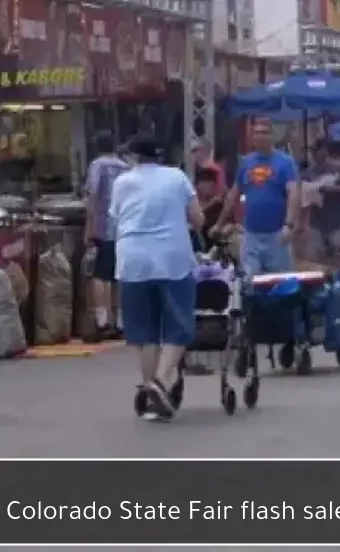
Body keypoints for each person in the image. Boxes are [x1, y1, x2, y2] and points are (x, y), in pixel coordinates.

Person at [107, 135, 204, 421]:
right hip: (172, 259)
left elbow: (117, 218)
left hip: (132, 260)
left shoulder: (122, 182)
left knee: (144, 332)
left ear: (133, 158)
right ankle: (160, 382)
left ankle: (152, 394)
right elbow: (198, 218)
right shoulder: (177, 177)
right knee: (179, 326)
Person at [212, 119, 301, 275]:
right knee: (250, 283)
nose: (260, 136)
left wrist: (289, 225)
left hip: (277, 234)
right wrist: (219, 224)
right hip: (251, 235)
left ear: (272, 136)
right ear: (251, 137)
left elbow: (293, 194)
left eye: (264, 132)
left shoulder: (285, 162)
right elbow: (233, 194)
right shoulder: (246, 163)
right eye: (256, 133)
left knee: (279, 283)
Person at [83, 130, 129, 340]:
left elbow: (92, 196)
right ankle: (120, 321)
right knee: (119, 275)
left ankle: (102, 321)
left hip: (104, 228)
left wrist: (89, 227)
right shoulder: (124, 166)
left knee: (99, 275)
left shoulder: (98, 165)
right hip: (125, 227)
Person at [304, 140, 340, 269]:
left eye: (317, 150)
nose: (314, 154)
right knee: (317, 256)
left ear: (325, 150)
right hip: (316, 220)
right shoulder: (309, 171)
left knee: (338, 255)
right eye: (312, 151)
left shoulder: (339, 167)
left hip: (336, 219)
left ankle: (338, 278)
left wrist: (329, 189)